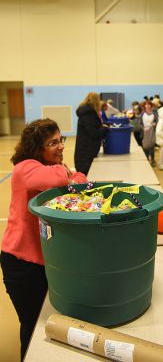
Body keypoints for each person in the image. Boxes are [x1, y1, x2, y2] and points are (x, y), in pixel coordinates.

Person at [0, 118, 87, 361]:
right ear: (37, 148)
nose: (60, 147)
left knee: (51, 322)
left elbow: (82, 181)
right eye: (52, 143)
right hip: (22, 265)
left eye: (61, 140)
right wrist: (67, 173)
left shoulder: (50, 167)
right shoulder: (25, 168)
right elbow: (59, 180)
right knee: (31, 326)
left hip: (48, 261)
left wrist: (71, 175)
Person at [74, 92, 107, 175]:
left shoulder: (86, 112)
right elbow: (93, 133)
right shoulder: (89, 113)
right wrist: (104, 129)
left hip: (84, 151)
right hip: (86, 152)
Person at [141, 101, 157, 167]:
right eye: (146, 104)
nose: (147, 106)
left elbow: (156, 121)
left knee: (152, 146)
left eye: (148, 104)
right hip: (144, 132)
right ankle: (146, 159)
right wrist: (142, 128)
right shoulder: (142, 114)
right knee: (145, 147)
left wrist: (155, 124)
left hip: (152, 131)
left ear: (151, 106)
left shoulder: (154, 114)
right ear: (144, 106)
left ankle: (152, 160)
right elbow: (140, 123)